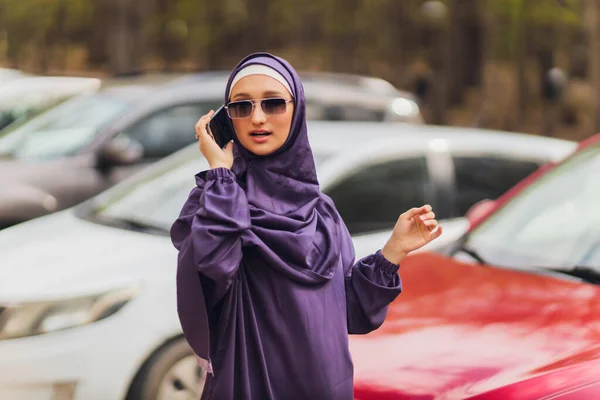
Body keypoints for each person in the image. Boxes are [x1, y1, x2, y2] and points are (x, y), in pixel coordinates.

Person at [170, 52, 442, 400]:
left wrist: (393, 251)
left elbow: (351, 314)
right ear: (227, 120)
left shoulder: (321, 211)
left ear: (296, 111)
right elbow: (213, 265)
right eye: (241, 106)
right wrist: (221, 175)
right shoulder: (216, 200)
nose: (257, 118)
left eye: (273, 104)